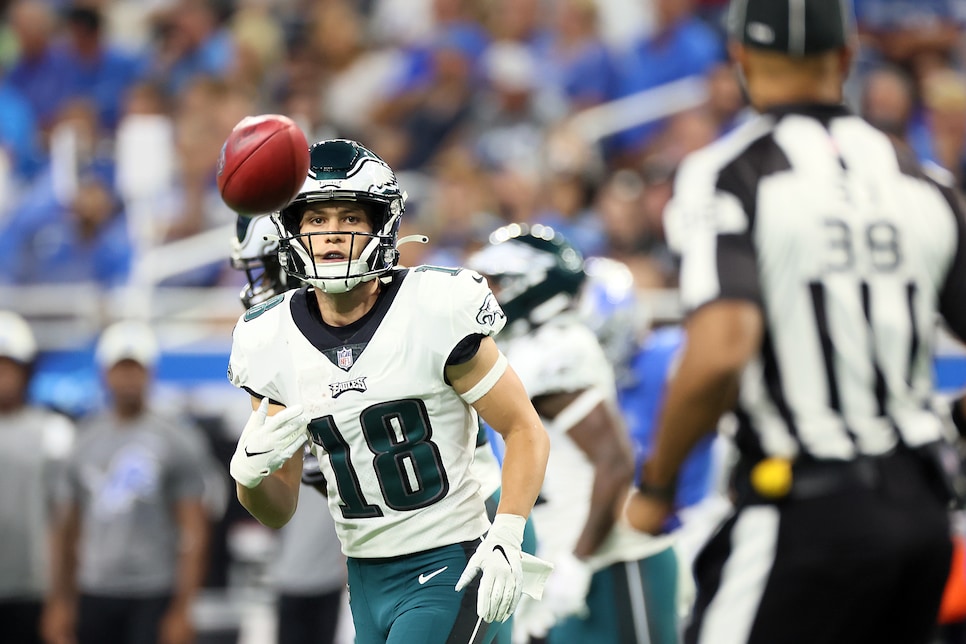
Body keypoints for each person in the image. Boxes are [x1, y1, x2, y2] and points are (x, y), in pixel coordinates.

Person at [624, 1, 966, 643]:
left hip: (804, 507)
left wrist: (658, 485)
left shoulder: (731, 173)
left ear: (740, 58)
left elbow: (722, 352)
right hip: (922, 517)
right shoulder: (924, 180)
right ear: (845, 57)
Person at [226, 138, 551, 644]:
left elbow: (523, 427)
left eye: (350, 219)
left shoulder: (434, 306)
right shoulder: (268, 339)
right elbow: (279, 508)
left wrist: (508, 532)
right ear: (290, 232)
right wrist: (247, 477)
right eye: (315, 220)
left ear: (382, 225)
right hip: (364, 578)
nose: (332, 235)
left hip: (452, 561)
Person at [467, 225, 678, 644]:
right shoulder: (519, 351)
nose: (485, 294)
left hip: (610, 562)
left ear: (532, 285)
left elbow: (614, 462)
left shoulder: (555, 348)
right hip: (559, 561)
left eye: (497, 282)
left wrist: (578, 561)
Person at [43, 321, 211, 644]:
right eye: (121, 369)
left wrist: (182, 608)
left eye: (136, 369)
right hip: (95, 588)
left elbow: (195, 530)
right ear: (105, 373)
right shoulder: (82, 439)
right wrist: (60, 601)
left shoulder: (177, 439)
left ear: (150, 373)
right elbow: (66, 528)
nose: (128, 379)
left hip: (154, 589)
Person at [230, 213, 347, 644]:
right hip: (368, 560)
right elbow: (283, 506)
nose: (258, 286)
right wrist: (248, 480)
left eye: (265, 268)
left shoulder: (355, 337)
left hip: (444, 544)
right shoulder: (277, 347)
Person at [0, 311, 75, 644]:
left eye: (8, 366)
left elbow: (67, 523)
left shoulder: (54, 433)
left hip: (34, 590)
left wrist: (62, 599)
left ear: (26, 371)